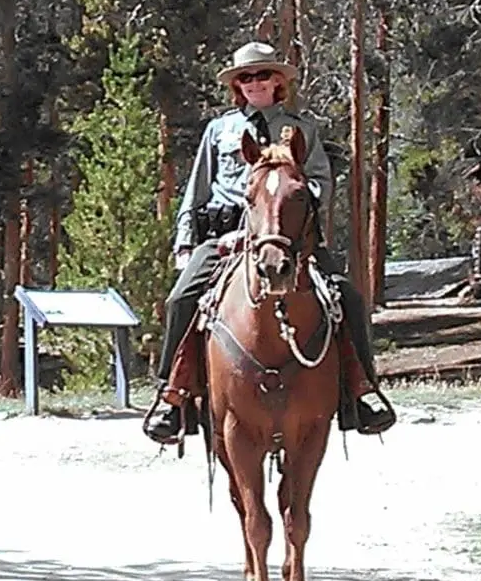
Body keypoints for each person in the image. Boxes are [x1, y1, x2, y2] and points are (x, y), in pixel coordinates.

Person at [142, 41, 395, 445]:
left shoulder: (301, 129)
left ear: (279, 81)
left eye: (263, 75)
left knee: (348, 297)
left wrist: (287, 207)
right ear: (236, 85)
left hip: (290, 238)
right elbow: (196, 191)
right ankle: (172, 395)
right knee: (181, 299)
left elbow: (320, 182)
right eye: (246, 77)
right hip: (223, 239)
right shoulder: (219, 131)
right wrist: (186, 244)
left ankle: (362, 391)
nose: (255, 83)